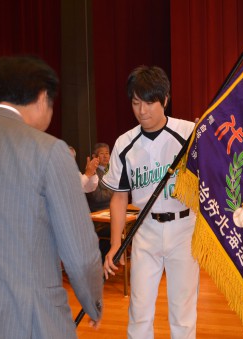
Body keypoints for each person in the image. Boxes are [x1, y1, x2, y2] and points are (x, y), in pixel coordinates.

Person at [0, 55, 103, 338]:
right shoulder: (48, 150)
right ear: (41, 98)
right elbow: (80, 252)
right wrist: (93, 302)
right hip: (28, 317)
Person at [102, 65, 199, 339]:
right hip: (145, 231)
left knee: (183, 313)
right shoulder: (125, 143)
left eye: (149, 102)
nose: (142, 111)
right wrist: (115, 243)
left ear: (165, 100)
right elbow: (119, 197)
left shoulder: (189, 133)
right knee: (139, 311)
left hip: (184, 229)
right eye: (136, 103)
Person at [86, 143, 113, 212]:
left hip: (117, 208)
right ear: (94, 156)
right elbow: (98, 196)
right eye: (102, 153)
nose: (105, 156)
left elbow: (126, 190)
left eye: (107, 153)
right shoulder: (91, 173)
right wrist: (117, 191)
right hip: (101, 211)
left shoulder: (114, 170)